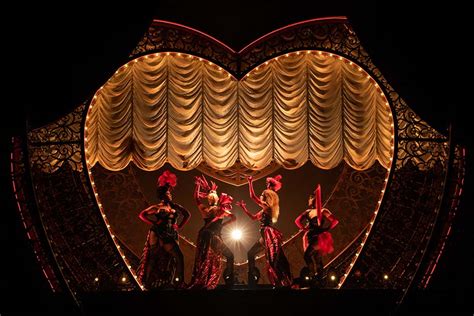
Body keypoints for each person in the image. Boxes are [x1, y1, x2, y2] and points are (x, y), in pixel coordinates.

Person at [137, 170, 191, 290]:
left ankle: (176, 282)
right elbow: (142, 215)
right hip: (157, 233)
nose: (170, 195)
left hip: (170, 234)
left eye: (170, 193)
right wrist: (154, 222)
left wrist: (179, 226)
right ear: (163, 195)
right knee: (155, 257)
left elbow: (187, 214)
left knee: (175, 257)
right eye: (168, 193)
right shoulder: (157, 207)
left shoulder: (175, 206)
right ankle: (147, 282)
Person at [236, 175, 292, 288]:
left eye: (263, 195)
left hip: (268, 234)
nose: (261, 197)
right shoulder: (264, 210)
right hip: (264, 235)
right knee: (251, 253)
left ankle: (282, 282)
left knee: (273, 260)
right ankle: (252, 280)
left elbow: (252, 196)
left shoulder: (268, 207)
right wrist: (244, 208)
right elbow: (253, 217)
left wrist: (250, 182)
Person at [188, 175, 236, 289]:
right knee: (225, 256)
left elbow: (196, 198)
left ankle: (206, 281)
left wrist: (198, 185)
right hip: (212, 236)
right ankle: (226, 283)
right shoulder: (220, 210)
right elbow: (234, 217)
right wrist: (223, 225)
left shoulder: (207, 209)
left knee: (206, 259)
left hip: (205, 235)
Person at [294, 184, 339, 287]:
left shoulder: (320, 211)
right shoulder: (317, 211)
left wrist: (305, 228)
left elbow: (297, 221)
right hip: (314, 237)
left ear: (312, 199)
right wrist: (326, 228)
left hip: (317, 238)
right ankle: (319, 280)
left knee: (307, 255)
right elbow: (335, 221)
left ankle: (314, 277)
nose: (308, 200)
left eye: (309, 198)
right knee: (317, 258)